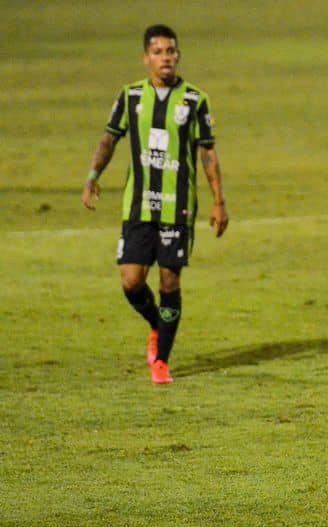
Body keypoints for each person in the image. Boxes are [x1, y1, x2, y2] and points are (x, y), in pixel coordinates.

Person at [81, 24, 228, 384]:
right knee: (131, 281)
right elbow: (109, 140)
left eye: (171, 51)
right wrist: (92, 177)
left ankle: (161, 360)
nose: (166, 57)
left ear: (178, 56)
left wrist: (219, 201)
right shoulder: (130, 97)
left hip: (177, 208)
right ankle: (155, 326)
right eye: (159, 51)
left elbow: (208, 153)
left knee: (168, 282)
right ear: (146, 57)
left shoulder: (195, 100)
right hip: (138, 205)